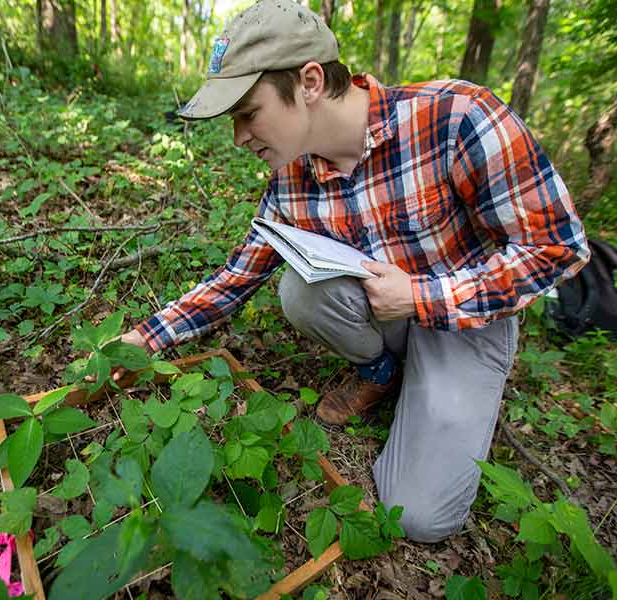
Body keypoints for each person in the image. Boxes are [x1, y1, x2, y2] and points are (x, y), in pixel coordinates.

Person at [115, 0, 589, 542]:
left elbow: (557, 245)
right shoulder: (292, 180)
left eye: (249, 112)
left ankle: (434, 386)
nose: (240, 136)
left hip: (465, 320)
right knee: (300, 290)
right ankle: (382, 372)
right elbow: (237, 277)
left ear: (310, 81)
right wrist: (144, 341)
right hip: (386, 312)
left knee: (417, 517)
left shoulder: (456, 117)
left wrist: (422, 297)